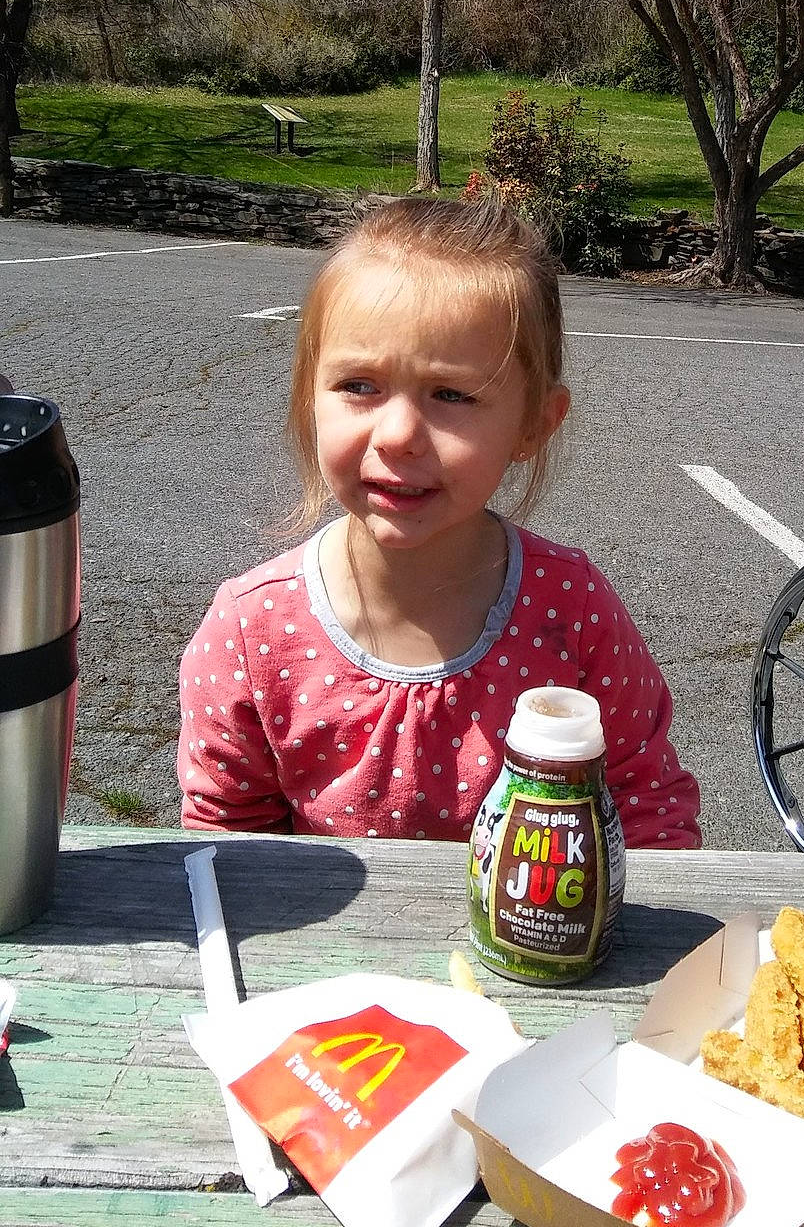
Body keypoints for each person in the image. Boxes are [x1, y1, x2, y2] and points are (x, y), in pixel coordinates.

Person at [179, 194, 702, 846]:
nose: (398, 435)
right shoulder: (252, 631)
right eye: (359, 386)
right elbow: (230, 846)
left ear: (534, 424)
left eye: (451, 394)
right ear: (309, 395)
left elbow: (646, 811)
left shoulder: (572, 611)